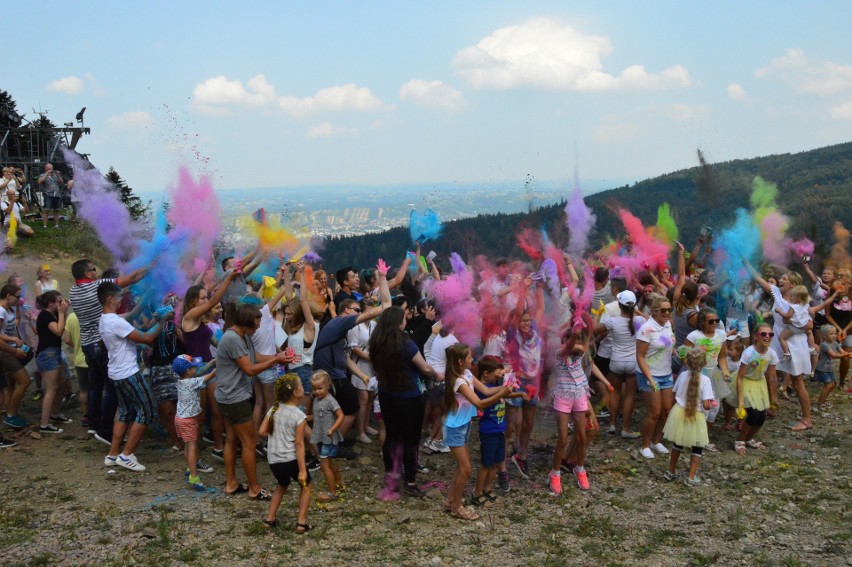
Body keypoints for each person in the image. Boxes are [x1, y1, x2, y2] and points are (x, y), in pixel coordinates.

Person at [216, 301, 296, 500]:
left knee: (232, 440)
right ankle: (254, 488)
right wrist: (275, 361)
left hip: (230, 395)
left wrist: (279, 356)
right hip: (235, 398)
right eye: (256, 325)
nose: (259, 328)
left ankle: (231, 484)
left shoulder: (244, 336)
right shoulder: (232, 338)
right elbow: (249, 369)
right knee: (249, 442)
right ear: (245, 323)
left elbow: (256, 357)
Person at [314, 261, 392, 453]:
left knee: (339, 410)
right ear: (346, 311)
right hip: (332, 375)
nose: (360, 313)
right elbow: (385, 307)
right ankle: (332, 446)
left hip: (332, 373)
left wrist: (363, 376)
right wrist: (382, 278)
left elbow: (345, 358)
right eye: (357, 310)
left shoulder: (339, 328)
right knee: (352, 408)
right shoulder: (342, 322)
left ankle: (336, 440)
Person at [69, 259, 146, 445]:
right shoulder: (97, 286)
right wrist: (153, 264)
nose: (97, 271)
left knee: (95, 386)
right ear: (88, 274)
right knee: (112, 388)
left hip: (88, 345)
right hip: (101, 343)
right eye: (93, 269)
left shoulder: (73, 291)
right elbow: (133, 278)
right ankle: (106, 430)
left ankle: (94, 424)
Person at [368, 305, 440, 499]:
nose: (406, 321)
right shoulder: (405, 343)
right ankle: (410, 481)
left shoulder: (377, 341)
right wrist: (437, 373)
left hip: (386, 394)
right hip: (410, 397)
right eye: (403, 319)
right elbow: (424, 368)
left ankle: (391, 475)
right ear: (398, 322)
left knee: (392, 435)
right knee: (410, 440)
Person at [97, 282, 163, 472]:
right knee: (147, 409)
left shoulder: (106, 319)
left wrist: (150, 289)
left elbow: (133, 313)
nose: (121, 300)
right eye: (118, 297)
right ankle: (127, 455)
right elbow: (147, 338)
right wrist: (163, 320)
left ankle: (113, 454)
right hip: (128, 372)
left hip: (116, 371)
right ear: (110, 299)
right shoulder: (115, 322)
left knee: (125, 411)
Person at [441, 344, 510, 520]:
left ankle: (450, 501)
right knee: (466, 469)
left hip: (464, 424)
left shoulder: (468, 374)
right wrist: (503, 392)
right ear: (460, 361)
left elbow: (486, 390)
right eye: (470, 357)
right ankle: (457, 507)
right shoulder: (459, 381)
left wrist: (506, 387)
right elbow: (479, 403)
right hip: (454, 428)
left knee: (461, 468)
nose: (473, 360)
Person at [181, 269, 239, 461]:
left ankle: (218, 448)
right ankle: (193, 456)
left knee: (217, 411)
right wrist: (229, 277)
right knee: (198, 416)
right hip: (196, 372)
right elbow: (215, 302)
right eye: (203, 298)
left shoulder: (202, 324)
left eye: (206, 298)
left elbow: (216, 344)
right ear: (193, 303)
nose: (207, 301)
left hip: (210, 368)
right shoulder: (188, 318)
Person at [259, 374, 312, 534]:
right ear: (296, 392)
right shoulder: (299, 416)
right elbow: (299, 443)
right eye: (302, 386)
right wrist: (302, 470)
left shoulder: (273, 410)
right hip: (291, 459)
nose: (303, 388)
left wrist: (276, 436)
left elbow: (261, 432)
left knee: (282, 485)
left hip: (274, 460)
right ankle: (301, 523)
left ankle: (269, 519)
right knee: (306, 486)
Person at [470, 355, 523, 505]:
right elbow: (486, 402)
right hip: (488, 431)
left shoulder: (495, 385)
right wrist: (503, 391)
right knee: (486, 464)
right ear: (486, 373)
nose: (498, 376)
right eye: (496, 373)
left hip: (500, 429)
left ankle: (488, 489)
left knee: (497, 461)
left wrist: (521, 394)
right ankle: (477, 492)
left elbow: (507, 392)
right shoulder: (482, 389)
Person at [506, 275, 544, 480]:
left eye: (529, 321)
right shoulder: (514, 334)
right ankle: (502, 460)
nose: (528, 323)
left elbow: (539, 310)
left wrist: (539, 287)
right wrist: (523, 290)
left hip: (532, 382)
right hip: (517, 382)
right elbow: (519, 311)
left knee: (529, 424)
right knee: (511, 424)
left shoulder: (535, 331)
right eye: (524, 321)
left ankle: (522, 454)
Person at [549, 322, 593, 493]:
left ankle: (580, 469)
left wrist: (588, 322)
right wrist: (574, 334)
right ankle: (555, 473)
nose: (574, 341)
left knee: (581, 436)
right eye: (569, 338)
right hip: (563, 396)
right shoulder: (559, 353)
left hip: (580, 395)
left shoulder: (580, 352)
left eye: (576, 338)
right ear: (564, 340)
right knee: (563, 438)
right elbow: (569, 348)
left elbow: (585, 343)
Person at [595, 289, 645, 438]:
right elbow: (653, 323)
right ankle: (626, 429)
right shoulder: (640, 321)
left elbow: (594, 330)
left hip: (615, 361)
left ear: (619, 305)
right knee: (629, 396)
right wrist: (639, 312)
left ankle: (611, 425)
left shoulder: (612, 321)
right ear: (633, 305)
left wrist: (597, 313)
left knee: (615, 392)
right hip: (632, 362)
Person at [661, 347, 715, 486]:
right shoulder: (706, 380)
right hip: (696, 416)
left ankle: (670, 471)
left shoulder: (682, 375)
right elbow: (706, 405)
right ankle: (691, 477)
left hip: (679, 413)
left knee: (677, 443)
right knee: (697, 447)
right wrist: (711, 404)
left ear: (687, 362)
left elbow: (675, 393)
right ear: (705, 363)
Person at [682, 308, 731, 451]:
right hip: (696, 374)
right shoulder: (693, 336)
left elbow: (722, 356)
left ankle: (704, 438)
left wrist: (725, 371)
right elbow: (684, 355)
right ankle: (689, 437)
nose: (715, 323)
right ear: (702, 322)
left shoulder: (721, 335)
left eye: (717, 320)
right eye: (711, 321)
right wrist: (693, 369)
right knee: (695, 406)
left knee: (713, 407)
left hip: (713, 374)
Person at [635, 295, 676, 459]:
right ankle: (644, 444)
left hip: (666, 373)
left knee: (667, 410)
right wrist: (650, 379)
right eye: (663, 310)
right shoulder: (646, 329)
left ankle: (656, 440)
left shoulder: (667, 325)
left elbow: (667, 344)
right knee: (654, 412)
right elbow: (640, 356)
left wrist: (677, 352)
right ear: (654, 311)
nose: (667, 313)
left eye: (669, 310)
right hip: (649, 374)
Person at [730, 324, 779, 455]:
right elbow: (740, 377)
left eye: (770, 334)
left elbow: (773, 378)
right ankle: (740, 440)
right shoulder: (749, 353)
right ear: (756, 337)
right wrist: (740, 401)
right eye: (763, 334)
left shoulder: (772, 353)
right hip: (745, 381)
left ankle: (749, 438)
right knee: (752, 414)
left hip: (759, 382)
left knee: (762, 417)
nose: (767, 336)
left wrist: (774, 399)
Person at [173, 355, 217, 490]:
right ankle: (194, 476)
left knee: (188, 446)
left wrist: (211, 362)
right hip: (188, 420)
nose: (195, 369)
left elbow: (199, 373)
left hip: (180, 418)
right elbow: (208, 377)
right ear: (188, 371)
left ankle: (189, 467)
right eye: (193, 367)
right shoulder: (192, 382)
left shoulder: (181, 380)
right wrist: (218, 366)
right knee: (192, 447)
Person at [34, 291, 72, 433]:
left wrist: (64, 312)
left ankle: (55, 414)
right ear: (51, 303)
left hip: (55, 352)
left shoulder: (54, 314)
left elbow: (62, 327)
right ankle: (44, 424)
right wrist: (61, 313)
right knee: (51, 388)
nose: (61, 303)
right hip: (46, 354)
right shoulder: (44, 315)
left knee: (62, 383)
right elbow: (57, 331)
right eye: (59, 301)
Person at [309, 370, 345, 502]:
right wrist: (309, 417)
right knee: (330, 462)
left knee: (324, 466)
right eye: (314, 389)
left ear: (327, 385)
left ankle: (332, 493)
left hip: (328, 438)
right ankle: (339, 483)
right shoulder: (316, 400)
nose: (317, 391)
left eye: (320, 388)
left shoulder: (330, 400)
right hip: (320, 436)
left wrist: (332, 429)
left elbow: (341, 416)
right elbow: (321, 415)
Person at [0, 284, 32, 430]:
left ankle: (11, 414)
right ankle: (11, 416)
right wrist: (14, 347)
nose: (19, 300)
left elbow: (15, 323)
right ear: (8, 295)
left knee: (10, 384)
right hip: (6, 352)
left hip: (10, 349)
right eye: (17, 297)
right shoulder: (0, 311)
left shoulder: (9, 309)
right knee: (25, 381)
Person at [347, 298, 376, 444]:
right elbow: (354, 348)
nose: (371, 313)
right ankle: (360, 432)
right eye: (368, 310)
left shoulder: (374, 325)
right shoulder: (355, 327)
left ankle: (366, 425)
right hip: (359, 365)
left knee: (370, 396)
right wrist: (369, 357)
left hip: (370, 366)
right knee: (363, 399)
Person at [775, 285, 817, 365]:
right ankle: (812, 348)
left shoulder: (793, 307)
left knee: (781, 337)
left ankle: (786, 353)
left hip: (795, 327)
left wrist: (779, 311)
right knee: (810, 333)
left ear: (798, 298)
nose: (790, 297)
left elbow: (787, 316)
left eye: (792, 296)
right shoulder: (806, 305)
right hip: (804, 326)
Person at [63, 311, 89, 428]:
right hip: (95, 358)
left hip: (79, 359)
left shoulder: (71, 317)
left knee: (83, 389)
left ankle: (85, 417)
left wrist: (78, 346)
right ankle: (98, 414)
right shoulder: (95, 313)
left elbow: (67, 339)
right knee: (98, 388)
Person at [813, 325, 850, 408]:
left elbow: (843, 352)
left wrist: (848, 354)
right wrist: (846, 354)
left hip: (829, 368)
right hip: (822, 369)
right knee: (828, 385)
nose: (834, 335)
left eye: (835, 333)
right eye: (831, 334)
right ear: (824, 336)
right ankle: (820, 402)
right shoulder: (824, 345)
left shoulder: (835, 343)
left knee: (832, 385)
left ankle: (823, 399)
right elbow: (833, 355)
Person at [37, 163, 64, 228]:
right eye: (48, 168)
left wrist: (59, 175)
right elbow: (39, 182)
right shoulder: (42, 175)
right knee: (46, 210)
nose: (50, 169)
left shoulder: (55, 175)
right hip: (48, 194)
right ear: (45, 168)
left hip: (57, 195)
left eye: (51, 168)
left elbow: (61, 182)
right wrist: (46, 174)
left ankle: (56, 225)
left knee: (56, 210)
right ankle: (45, 225)